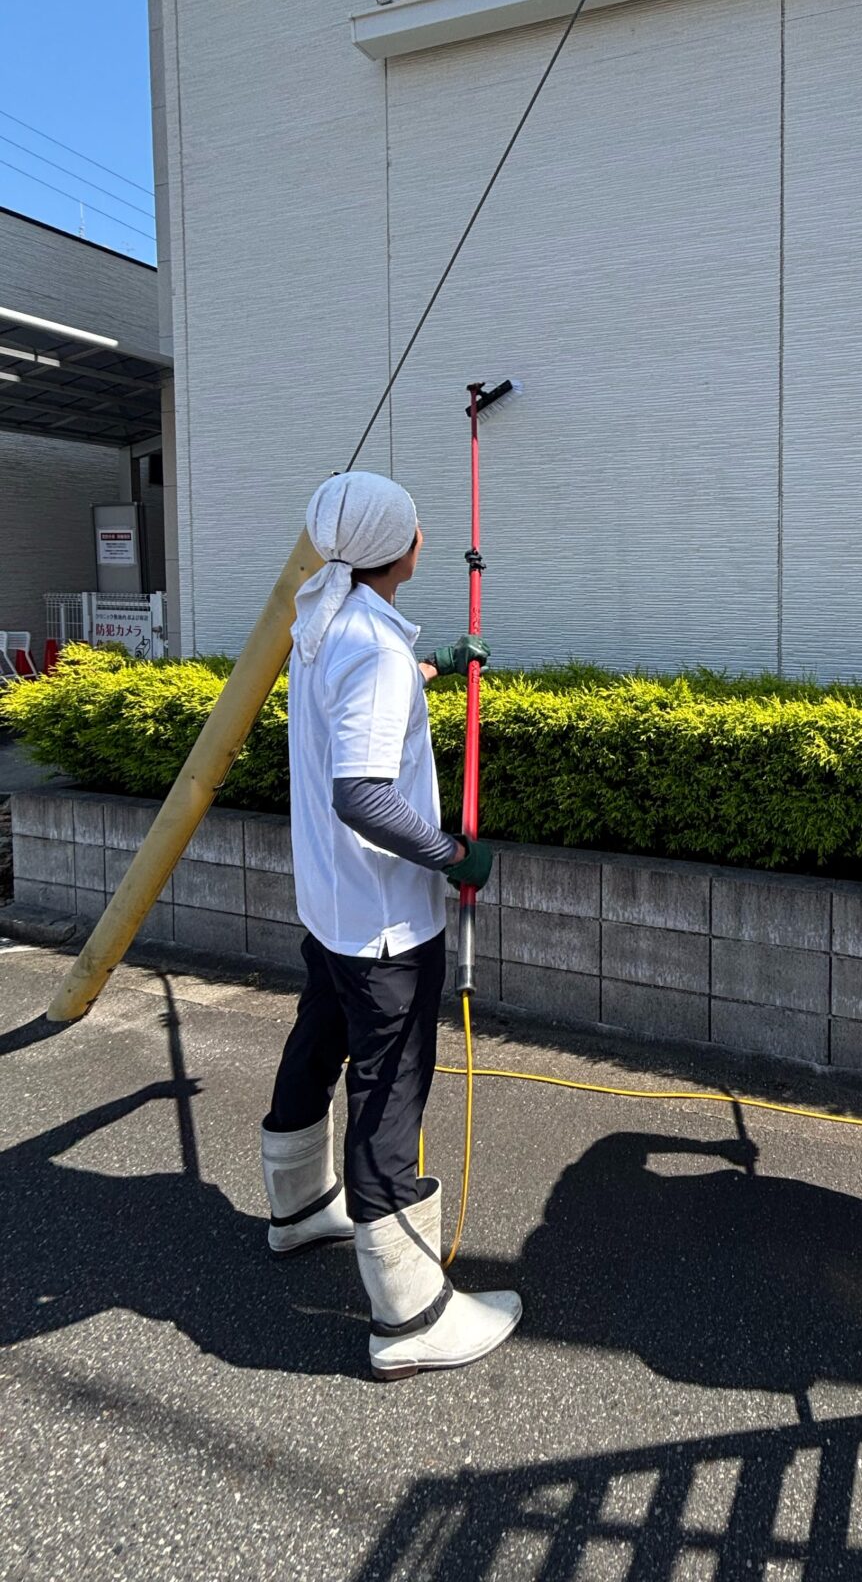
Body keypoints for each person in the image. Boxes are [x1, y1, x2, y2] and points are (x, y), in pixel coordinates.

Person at [259, 470, 522, 1381]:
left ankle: (298, 1208)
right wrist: (454, 856)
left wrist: (436, 665)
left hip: (333, 908)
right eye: (415, 528)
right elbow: (363, 794)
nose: (423, 538)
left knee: (318, 1043)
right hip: (382, 924)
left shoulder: (322, 618)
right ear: (395, 548)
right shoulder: (367, 644)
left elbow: (360, 702)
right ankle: (408, 1315)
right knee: (390, 1089)